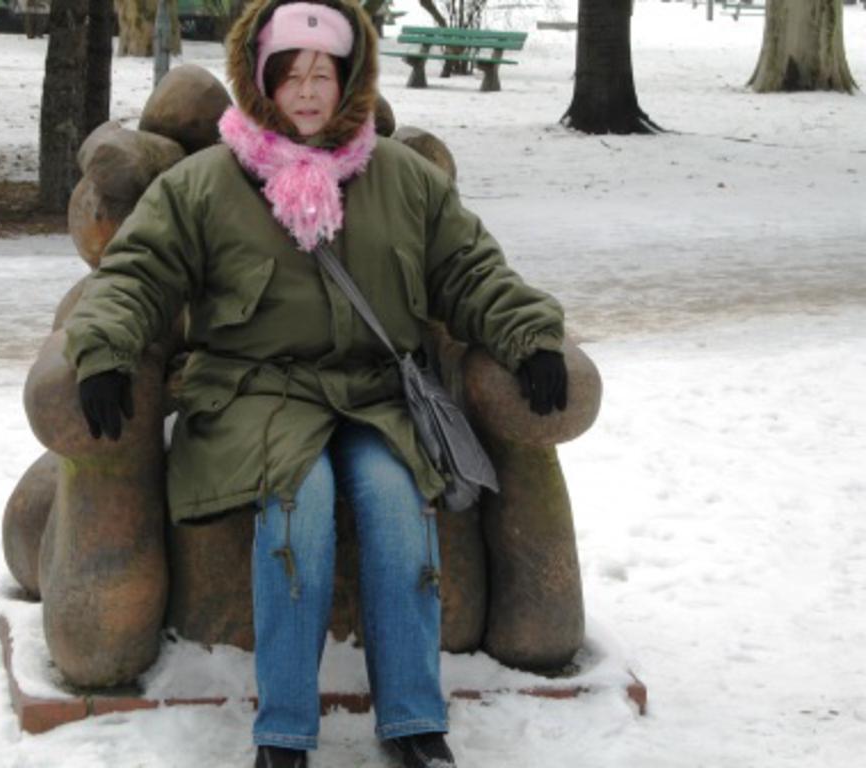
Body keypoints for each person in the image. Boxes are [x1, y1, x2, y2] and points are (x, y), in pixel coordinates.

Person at [64, 1, 568, 766]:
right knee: (301, 514)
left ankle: (414, 722)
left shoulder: (402, 178)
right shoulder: (205, 183)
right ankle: (284, 733)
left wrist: (529, 337)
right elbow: (138, 272)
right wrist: (104, 350)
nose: (306, 92)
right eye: (290, 75)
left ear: (350, 80)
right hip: (256, 396)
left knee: (399, 508)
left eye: (322, 75)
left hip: (374, 397)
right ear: (261, 82)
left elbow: (469, 269)